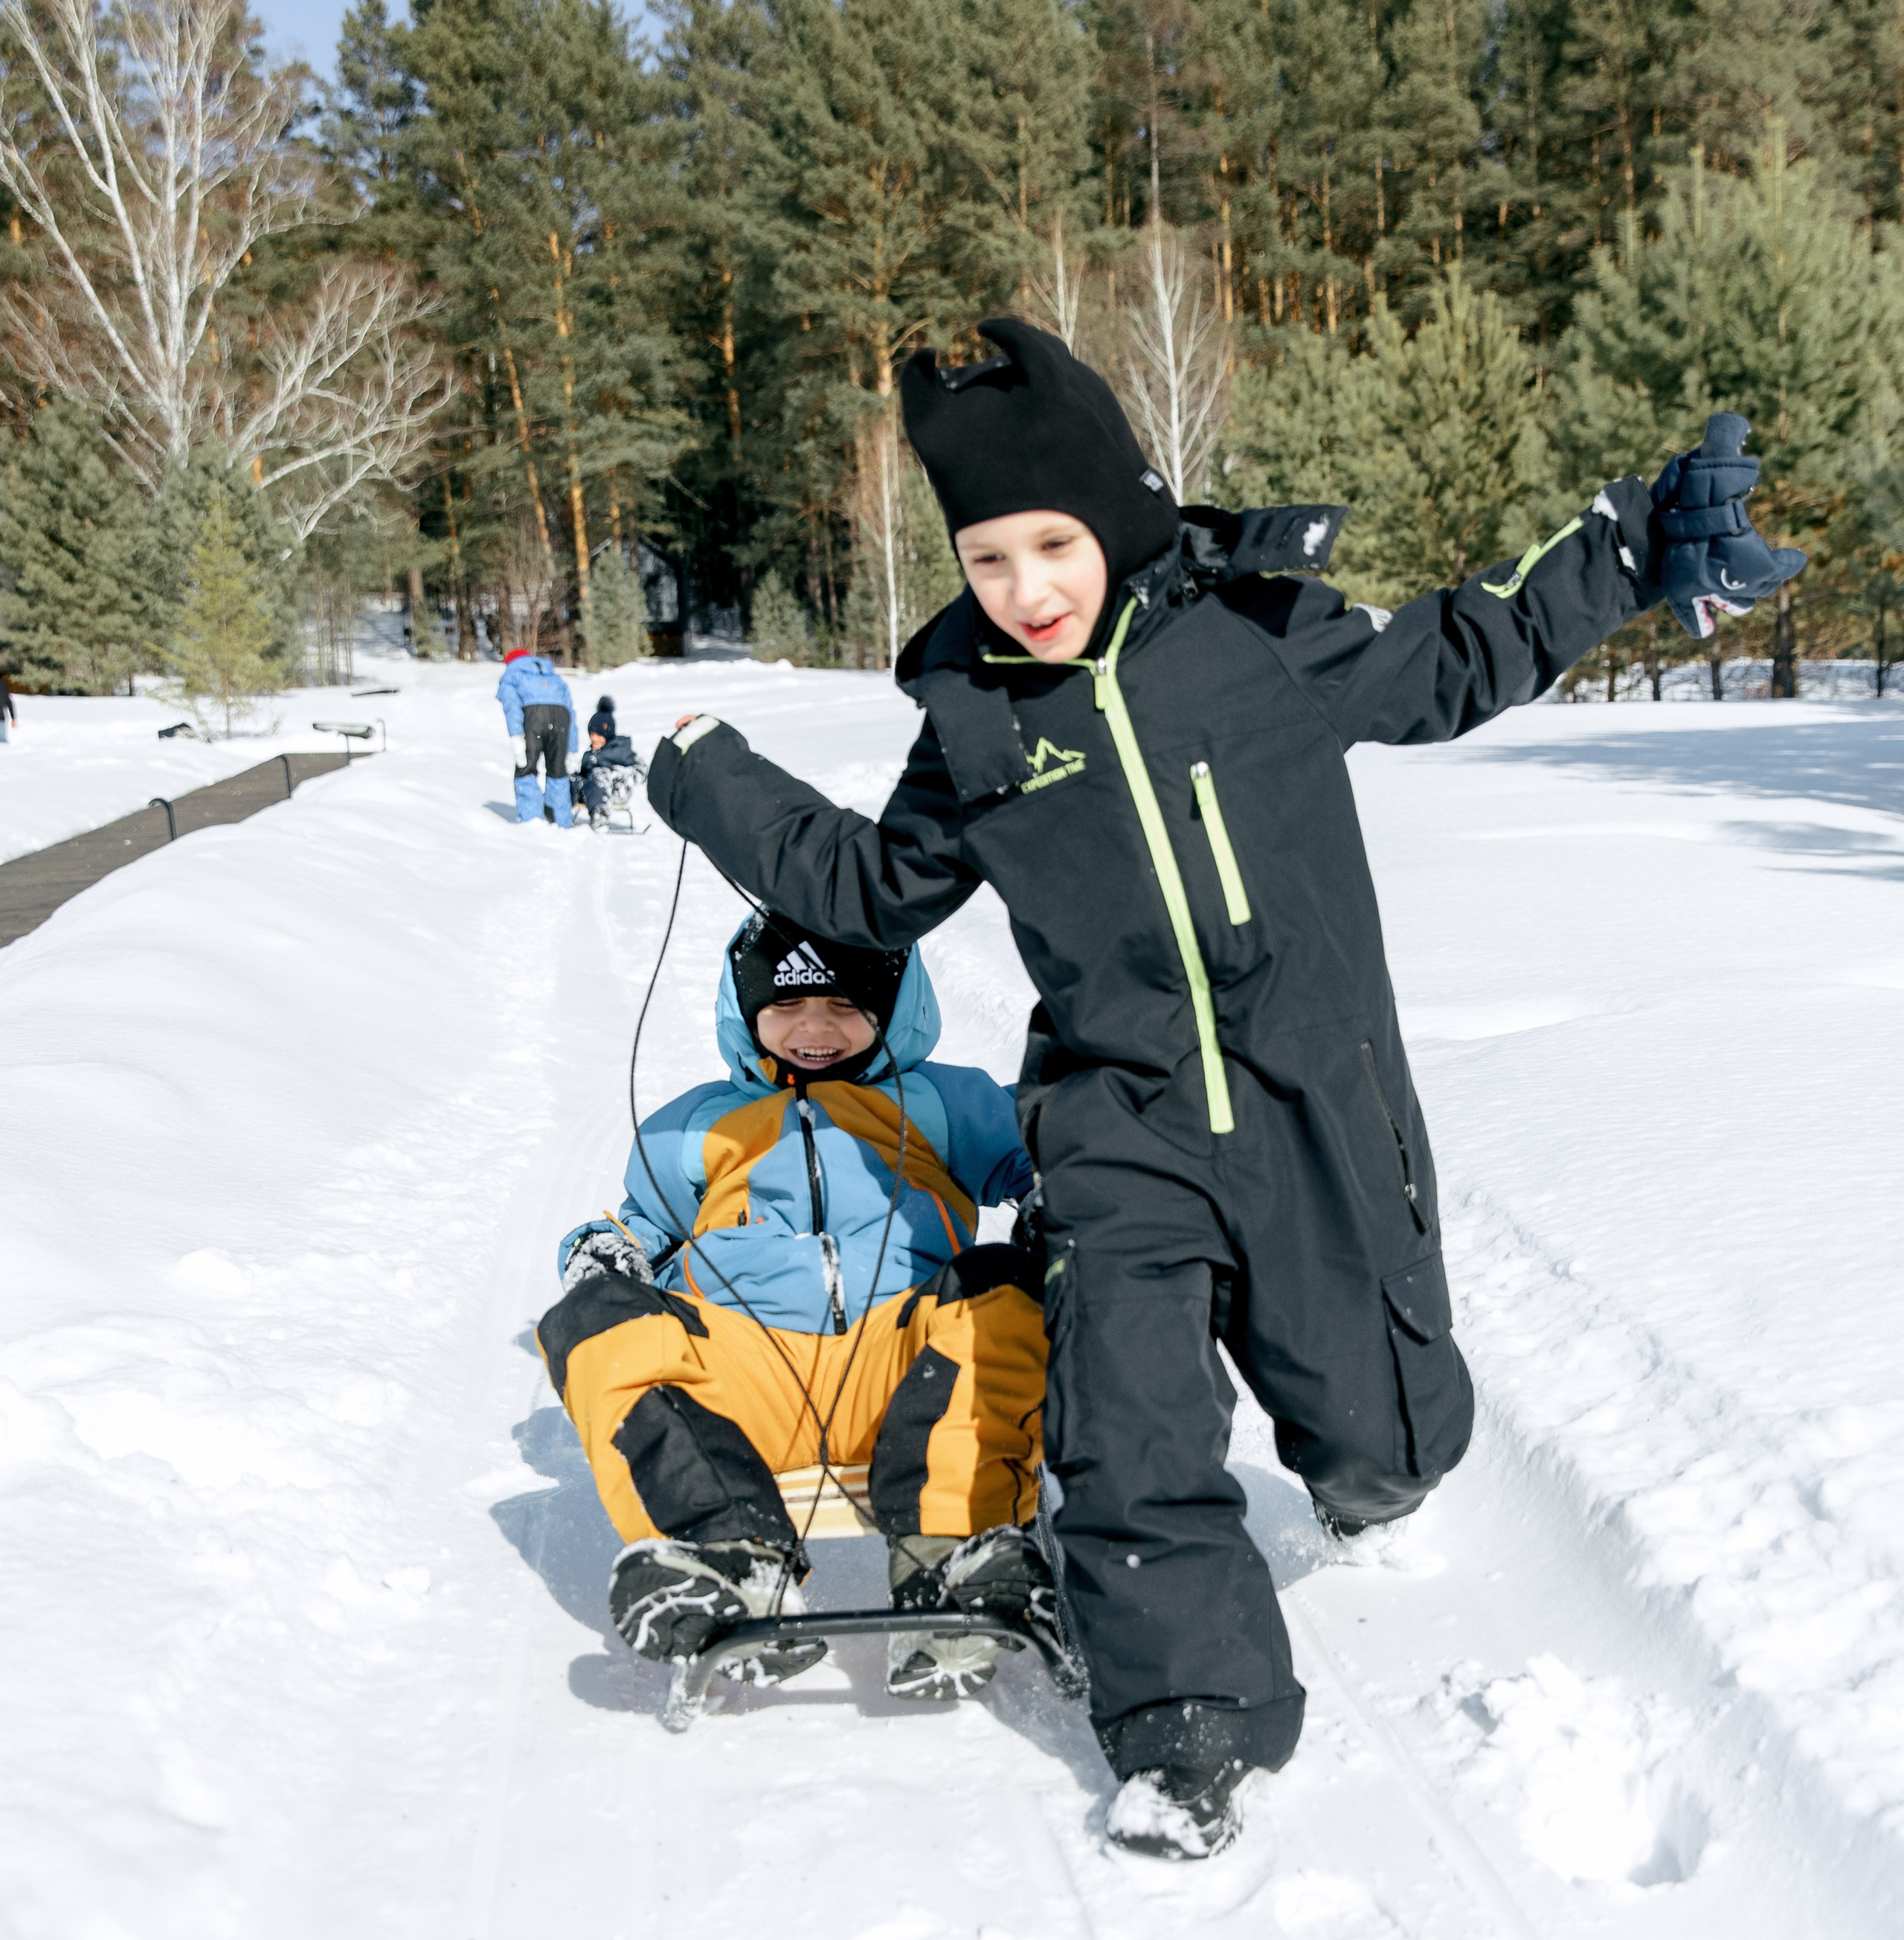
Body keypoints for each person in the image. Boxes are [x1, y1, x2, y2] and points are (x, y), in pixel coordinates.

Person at [641, 322, 1805, 1859]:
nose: (1024, 591)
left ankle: (1370, 1481)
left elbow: (1462, 652)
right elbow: (865, 884)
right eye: (986, 560)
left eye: (1050, 545)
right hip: (1114, 1118)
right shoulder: (981, 723)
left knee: (1386, 1432)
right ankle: (1187, 1729)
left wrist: (1634, 554)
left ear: (1116, 516)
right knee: (1126, 1419)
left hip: (1312, 1094)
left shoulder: (1252, 633)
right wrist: (701, 766)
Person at [538, 912, 1049, 1701]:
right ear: (747, 1015)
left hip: (906, 1363)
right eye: (787, 1008)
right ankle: (726, 1556)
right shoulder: (698, 1122)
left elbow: (1034, 1152)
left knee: (1001, 1287)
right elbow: (641, 1222)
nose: (814, 1029)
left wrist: (1056, 1194)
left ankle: (949, 1550)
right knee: (596, 1325)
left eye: (844, 1007)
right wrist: (608, 1251)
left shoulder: (942, 1101)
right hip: (744, 1378)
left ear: (891, 1007)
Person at [496, 645, 576, 825]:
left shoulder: (512, 673)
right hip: (561, 718)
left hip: (534, 717)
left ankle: (532, 820)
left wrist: (516, 736)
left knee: (526, 767)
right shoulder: (553, 677)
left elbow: (512, 707)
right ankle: (561, 821)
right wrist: (571, 748)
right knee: (558, 770)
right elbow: (571, 711)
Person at [577, 695, 644, 829]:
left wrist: (619, 774)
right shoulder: (590, 754)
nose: (594, 739)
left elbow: (642, 771)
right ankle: (555, 809)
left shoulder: (621, 750)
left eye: (598, 735)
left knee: (599, 774)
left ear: (607, 734)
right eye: (591, 735)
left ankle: (600, 817)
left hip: (616, 791)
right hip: (591, 791)